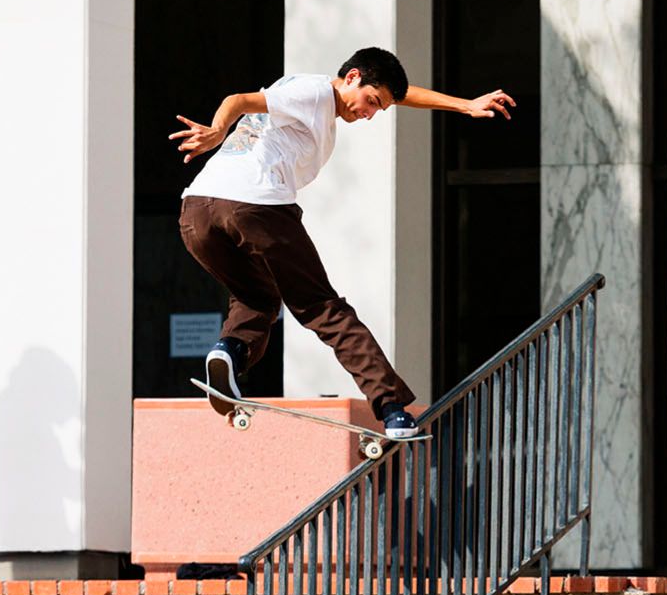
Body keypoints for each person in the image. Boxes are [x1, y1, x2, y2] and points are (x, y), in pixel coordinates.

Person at [171, 46, 513, 437]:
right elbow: (238, 100)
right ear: (351, 77)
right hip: (254, 206)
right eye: (370, 102)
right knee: (323, 309)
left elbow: (401, 94)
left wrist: (464, 105)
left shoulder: (319, 101)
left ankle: (229, 351)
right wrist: (217, 131)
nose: (368, 114)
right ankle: (393, 408)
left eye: (378, 109)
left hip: (196, 214)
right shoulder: (314, 92)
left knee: (257, 298)